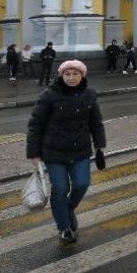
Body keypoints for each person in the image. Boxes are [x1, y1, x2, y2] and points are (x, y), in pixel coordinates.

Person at [27, 59, 107, 244]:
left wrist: (100, 145)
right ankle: (64, 227)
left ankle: (67, 209)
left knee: (81, 184)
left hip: (80, 151)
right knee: (61, 188)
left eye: (75, 74)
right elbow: (35, 125)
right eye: (67, 74)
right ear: (61, 76)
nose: (71, 77)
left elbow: (96, 122)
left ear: (82, 75)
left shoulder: (89, 95)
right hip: (54, 152)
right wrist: (34, 153)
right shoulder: (49, 95)